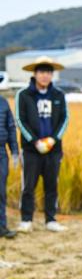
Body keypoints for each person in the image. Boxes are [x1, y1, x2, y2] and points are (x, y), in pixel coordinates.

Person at [15, 56, 69, 233]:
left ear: (52, 75)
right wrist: (34, 141)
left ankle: (50, 219)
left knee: (52, 184)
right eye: (41, 72)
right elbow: (21, 121)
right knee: (28, 185)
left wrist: (53, 139)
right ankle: (26, 219)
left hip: (53, 149)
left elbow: (64, 119)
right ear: (35, 74)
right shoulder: (24, 95)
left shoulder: (59, 95)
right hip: (31, 150)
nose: (45, 76)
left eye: (48, 72)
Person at [0, 94, 19, 238]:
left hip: (1, 153)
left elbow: (11, 127)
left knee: (1, 191)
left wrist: (14, 151)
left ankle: (2, 226)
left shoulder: (3, 103)